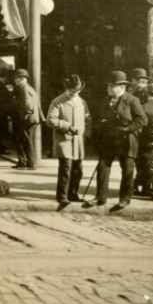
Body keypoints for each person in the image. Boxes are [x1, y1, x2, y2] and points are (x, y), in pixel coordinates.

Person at [85, 70, 147, 211]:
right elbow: (101, 119)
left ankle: (125, 199)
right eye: (108, 86)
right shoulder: (106, 101)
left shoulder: (132, 100)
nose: (108, 89)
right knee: (102, 167)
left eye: (112, 86)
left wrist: (127, 129)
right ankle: (100, 197)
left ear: (122, 87)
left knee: (127, 170)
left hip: (126, 140)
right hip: (108, 140)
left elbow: (142, 119)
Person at [46, 74, 91, 209]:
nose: (74, 93)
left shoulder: (82, 102)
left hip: (78, 141)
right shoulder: (57, 101)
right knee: (66, 169)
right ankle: (62, 196)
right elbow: (50, 120)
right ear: (67, 89)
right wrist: (67, 126)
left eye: (76, 91)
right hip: (64, 141)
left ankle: (73, 193)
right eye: (72, 91)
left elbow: (88, 120)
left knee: (78, 169)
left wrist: (87, 134)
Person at [12, 68, 41, 170]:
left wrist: (25, 115)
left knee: (26, 141)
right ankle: (23, 162)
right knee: (22, 140)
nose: (15, 80)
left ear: (22, 79)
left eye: (16, 78)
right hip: (30, 119)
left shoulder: (24, 88)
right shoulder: (28, 88)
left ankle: (30, 163)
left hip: (26, 119)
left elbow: (27, 104)